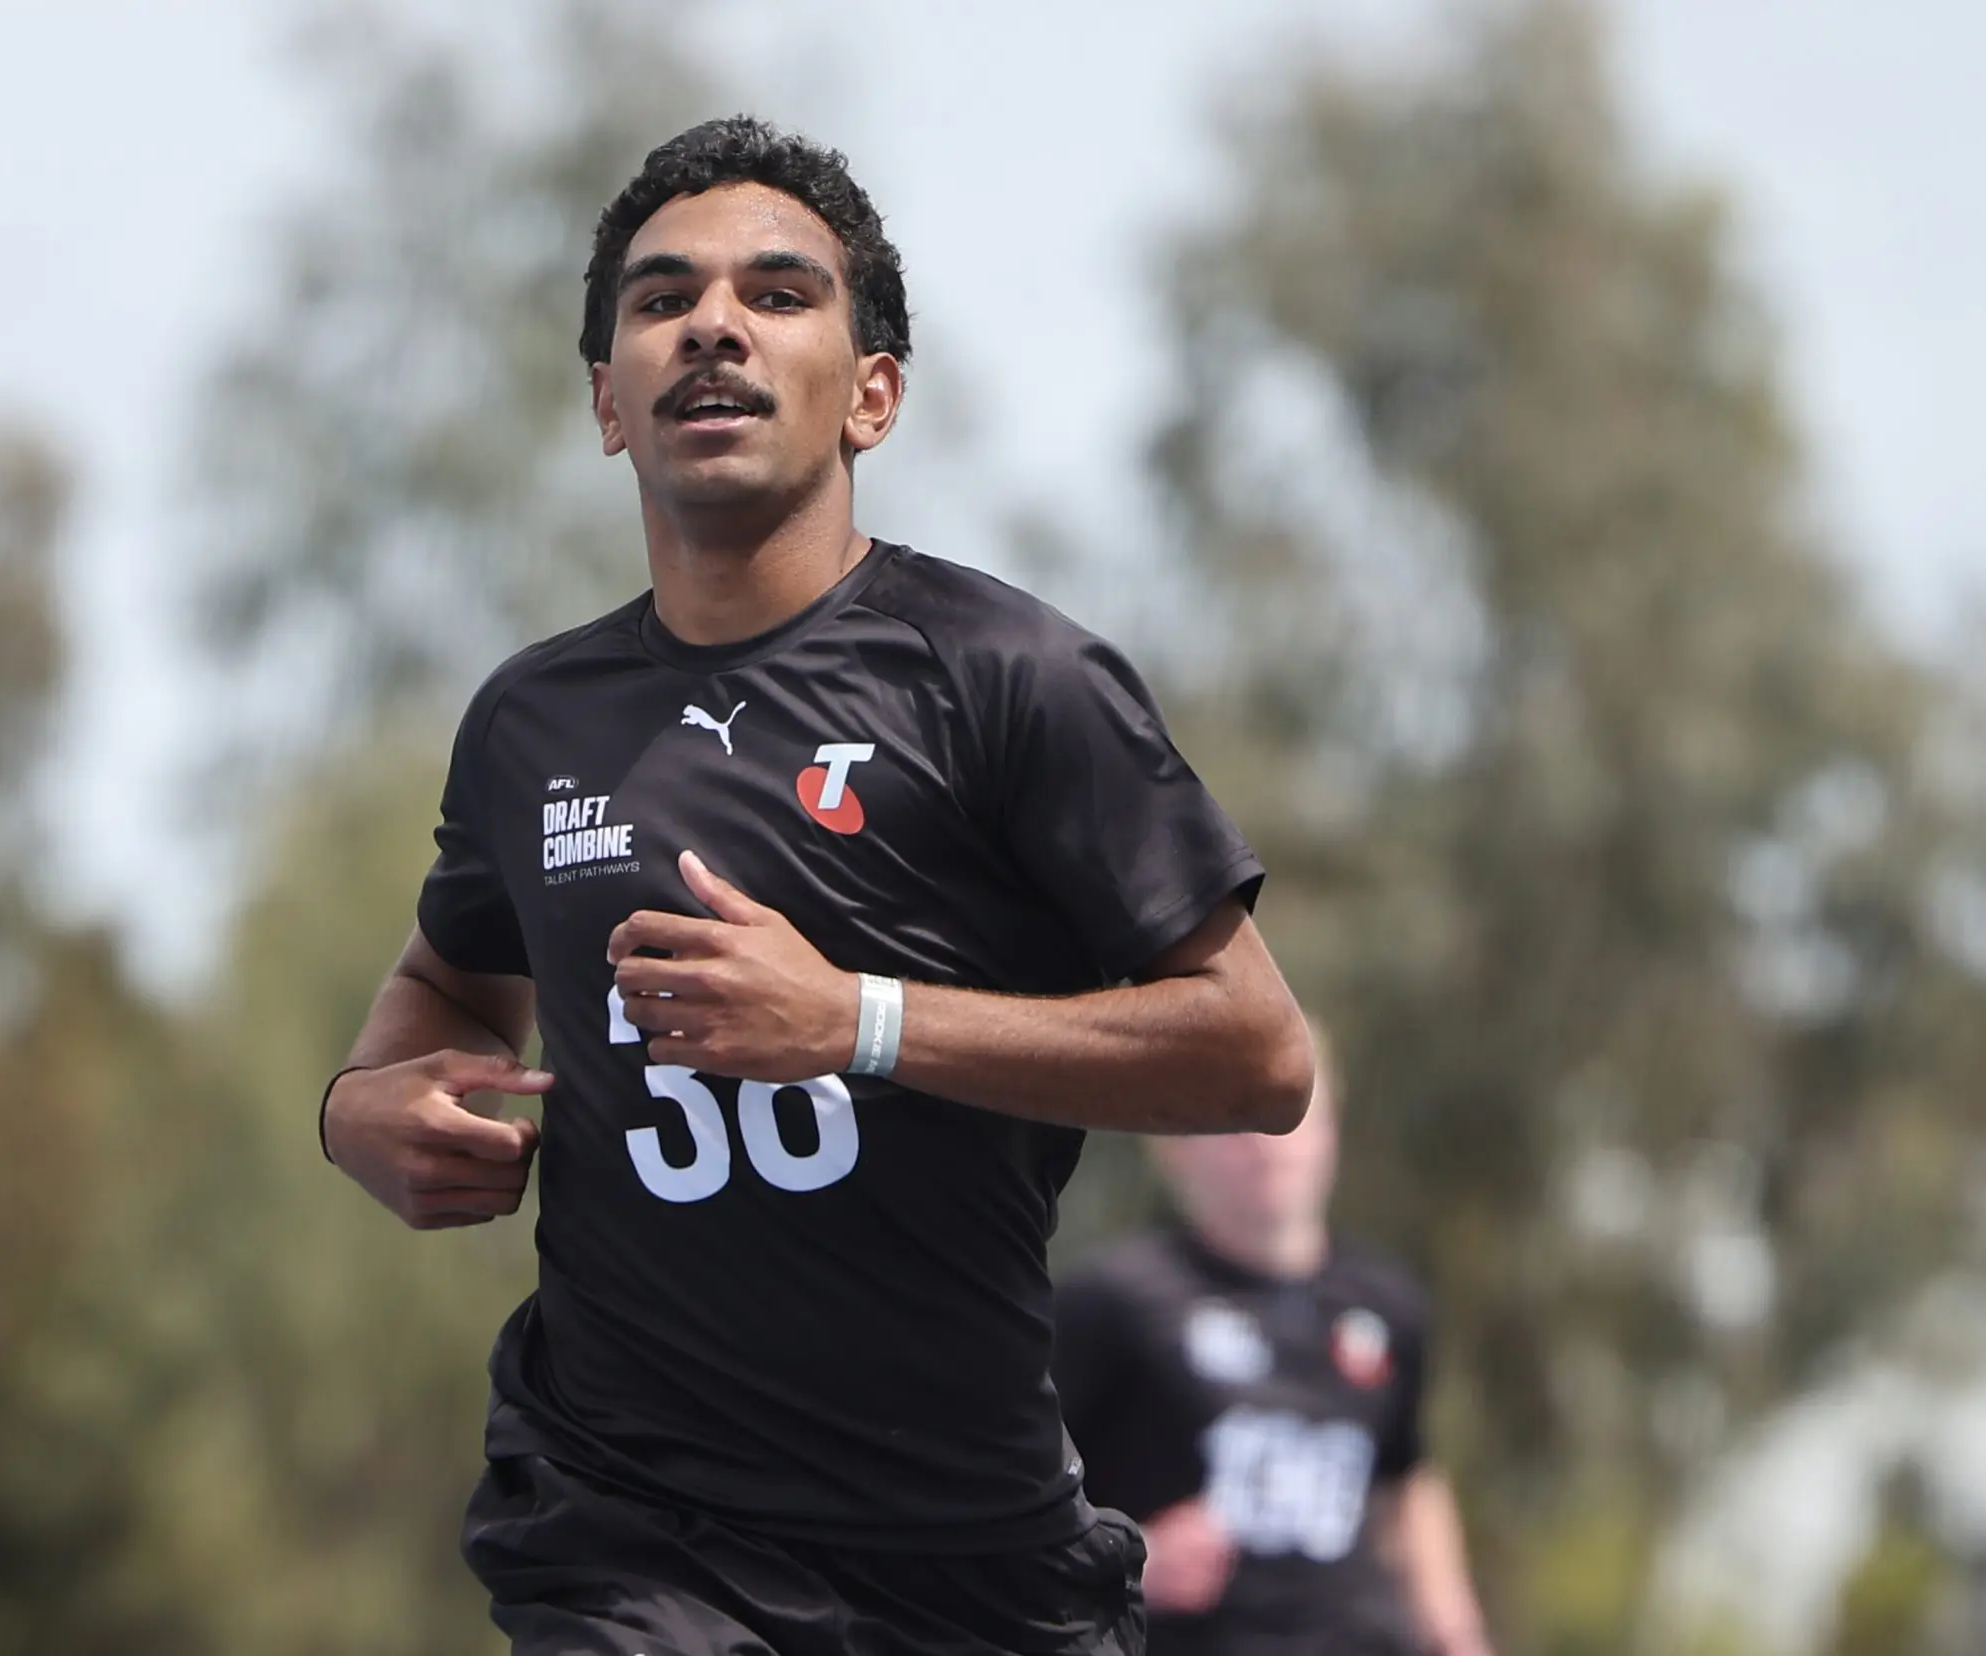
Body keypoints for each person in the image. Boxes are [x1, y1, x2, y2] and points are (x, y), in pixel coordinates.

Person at [316, 115, 1317, 1656]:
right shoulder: (531, 724)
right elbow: (448, 982)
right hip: (630, 1533)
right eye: (661, 302)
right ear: (605, 402)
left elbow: (1257, 1056)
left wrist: (854, 1021)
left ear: (874, 396)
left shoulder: (1008, 680)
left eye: (777, 294)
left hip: (970, 1564)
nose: (711, 323)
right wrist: (360, 1110)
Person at [1055, 1054, 1493, 1656]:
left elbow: (1406, 1479)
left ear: (1332, 1131)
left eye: (1291, 1116)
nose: (1267, 1145)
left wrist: (1455, 1630)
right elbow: (1020, 1494)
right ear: (1175, 1147)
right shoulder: (1114, 1303)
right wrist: (1132, 1560)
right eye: (1239, 1120)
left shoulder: (1389, 1306)